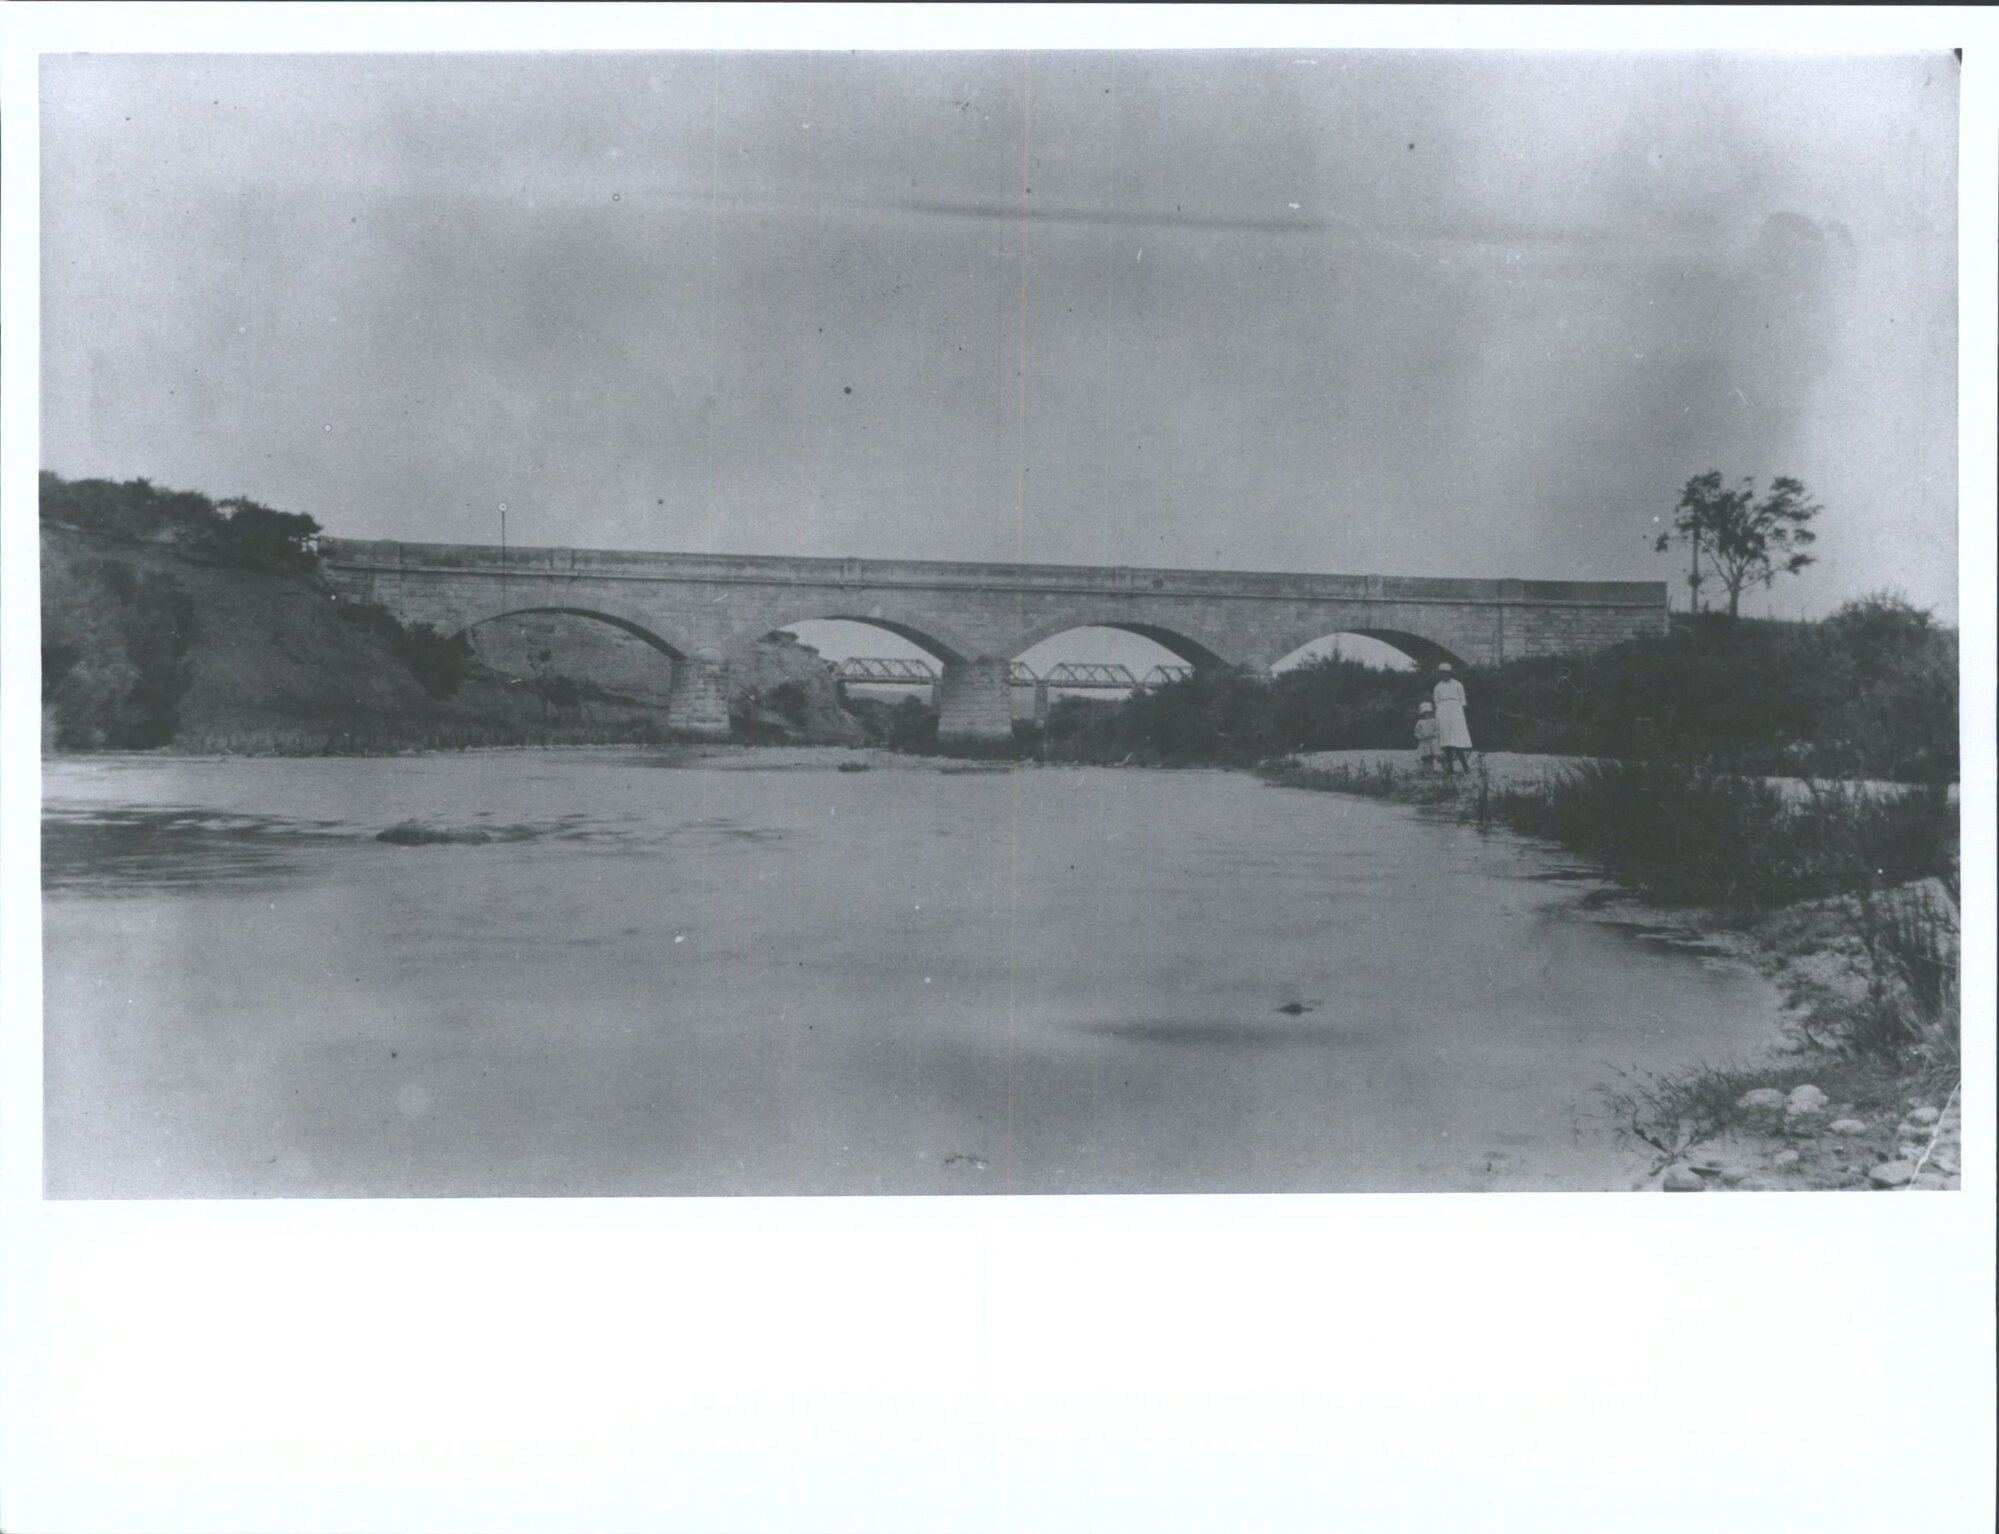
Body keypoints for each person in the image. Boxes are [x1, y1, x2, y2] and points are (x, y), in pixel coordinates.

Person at [1432, 663, 1473, 775]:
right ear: (1440, 674)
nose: (1444, 675)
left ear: (1450, 674)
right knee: (1446, 741)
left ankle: (1465, 767)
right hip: (1443, 711)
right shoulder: (1438, 687)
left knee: (1457, 740)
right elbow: (1437, 703)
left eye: (1446, 673)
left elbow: (1463, 701)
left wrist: (1461, 715)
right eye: (1442, 673)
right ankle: (1450, 769)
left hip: (1456, 711)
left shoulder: (1458, 685)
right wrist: (1439, 716)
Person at [1413, 701, 1438, 772]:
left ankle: (1431, 770)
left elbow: (1437, 730)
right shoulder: (1420, 722)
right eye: (1425, 713)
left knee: (1431, 756)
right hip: (1424, 742)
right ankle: (1425, 770)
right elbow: (1416, 732)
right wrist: (1420, 736)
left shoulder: (1433, 721)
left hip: (1431, 741)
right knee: (1425, 757)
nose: (1427, 714)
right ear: (1422, 714)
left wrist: (1435, 735)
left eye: (1428, 713)